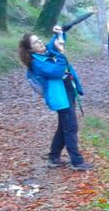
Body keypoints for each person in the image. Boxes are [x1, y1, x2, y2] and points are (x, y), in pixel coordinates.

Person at [18, 28, 93, 171]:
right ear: (30, 49)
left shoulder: (46, 52)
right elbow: (56, 72)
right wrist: (60, 53)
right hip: (59, 96)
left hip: (67, 91)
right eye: (35, 42)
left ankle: (54, 157)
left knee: (64, 126)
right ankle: (77, 162)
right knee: (70, 127)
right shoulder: (36, 63)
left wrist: (60, 31)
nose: (40, 42)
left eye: (39, 39)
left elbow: (56, 41)